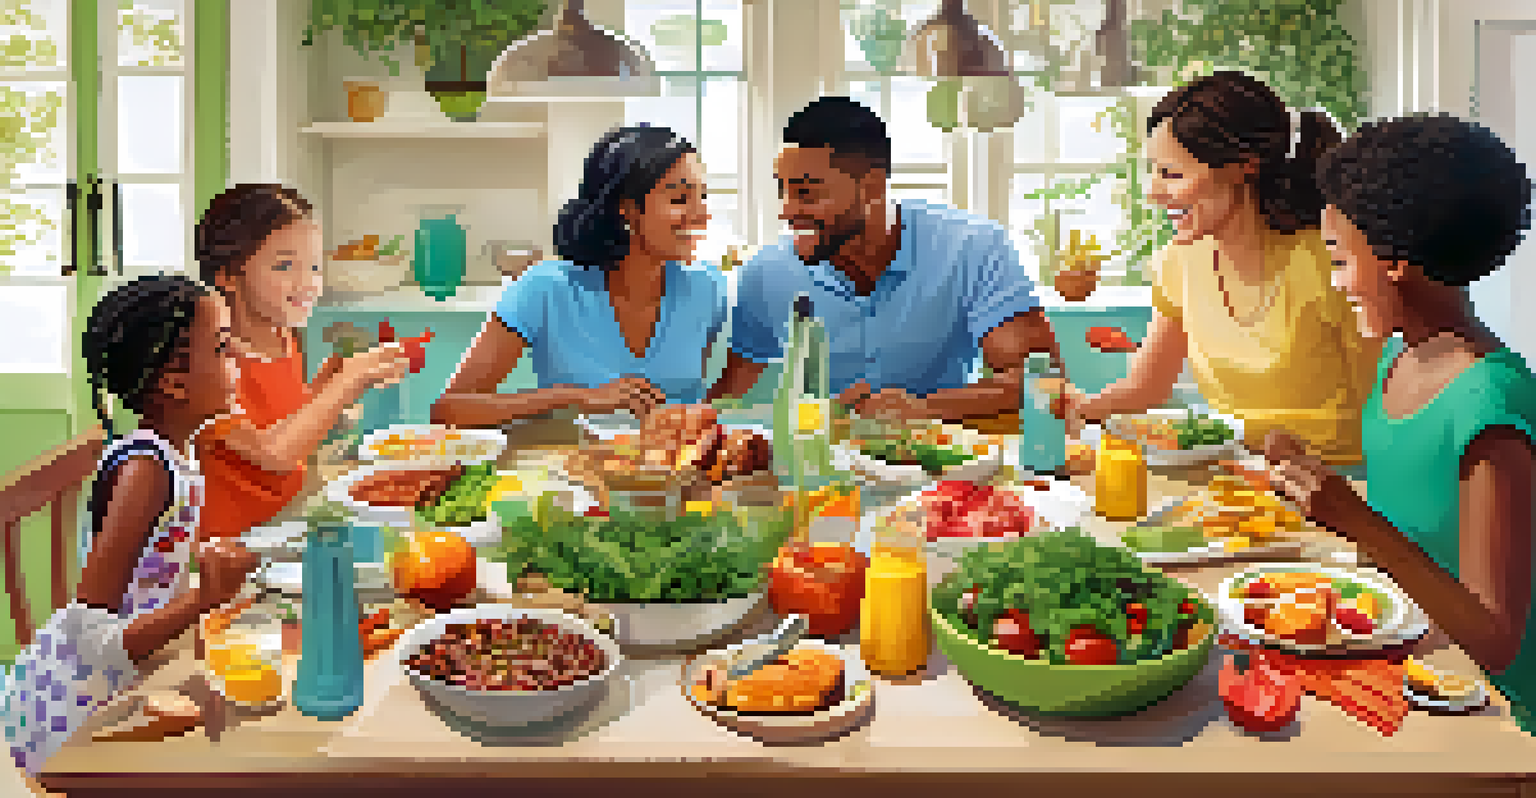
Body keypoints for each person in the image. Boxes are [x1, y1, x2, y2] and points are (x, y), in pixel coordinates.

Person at [1263, 113, 1536, 733]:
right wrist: (1314, 478)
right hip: (1411, 663)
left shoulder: (1489, 410)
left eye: (1339, 259)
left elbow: (1496, 641)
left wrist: (1356, 521)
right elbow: (1419, 516)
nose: (1337, 285)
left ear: (1394, 261)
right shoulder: (1399, 354)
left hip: (1490, 716)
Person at [2, 276, 262, 775]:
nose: (239, 362)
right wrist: (204, 598)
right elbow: (87, 634)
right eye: (223, 348)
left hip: (131, 679)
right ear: (174, 381)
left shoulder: (175, 456)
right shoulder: (146, 470)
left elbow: (152, 577)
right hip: (74, 719)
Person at [1062, 72, 1381, 467]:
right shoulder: (1178, 262)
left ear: (1243, 166)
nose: (1153, 192)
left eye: (1172, 174)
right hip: (1236, 475)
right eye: (1153, 170)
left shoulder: (1326, 262)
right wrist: (1078, 408)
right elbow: (1147, 386)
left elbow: (1390, 407)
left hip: (1340, 484)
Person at [708, 96, 1061, 422]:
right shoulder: (766, 274)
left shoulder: (971, 247)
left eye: (807, 193)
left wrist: (922, 408)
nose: (787, 211)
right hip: (822, 471)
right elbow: (729, 396)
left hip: (944, 462)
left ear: (872, 187)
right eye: (782, 190)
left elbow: (1041, 381)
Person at [432, 125, 726, 426]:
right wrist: (579, 397)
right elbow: (449, 410)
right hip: (571, 470)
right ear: (626, 208)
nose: (702, 214)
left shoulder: (708, 288)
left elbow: (694, 405)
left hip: (677, 471)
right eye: (680, 199)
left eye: (703, 197)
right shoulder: (545, 288)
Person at [193, 184, 412, 541]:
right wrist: (343, 386)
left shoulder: (283, 336)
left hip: (285, 518)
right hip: (228, 548)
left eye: (313, 266)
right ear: (228, 277)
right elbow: (271, 452)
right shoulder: (208, 361)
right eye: (284, 266)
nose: (308, 283)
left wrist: (324, 393)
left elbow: (282, 427)